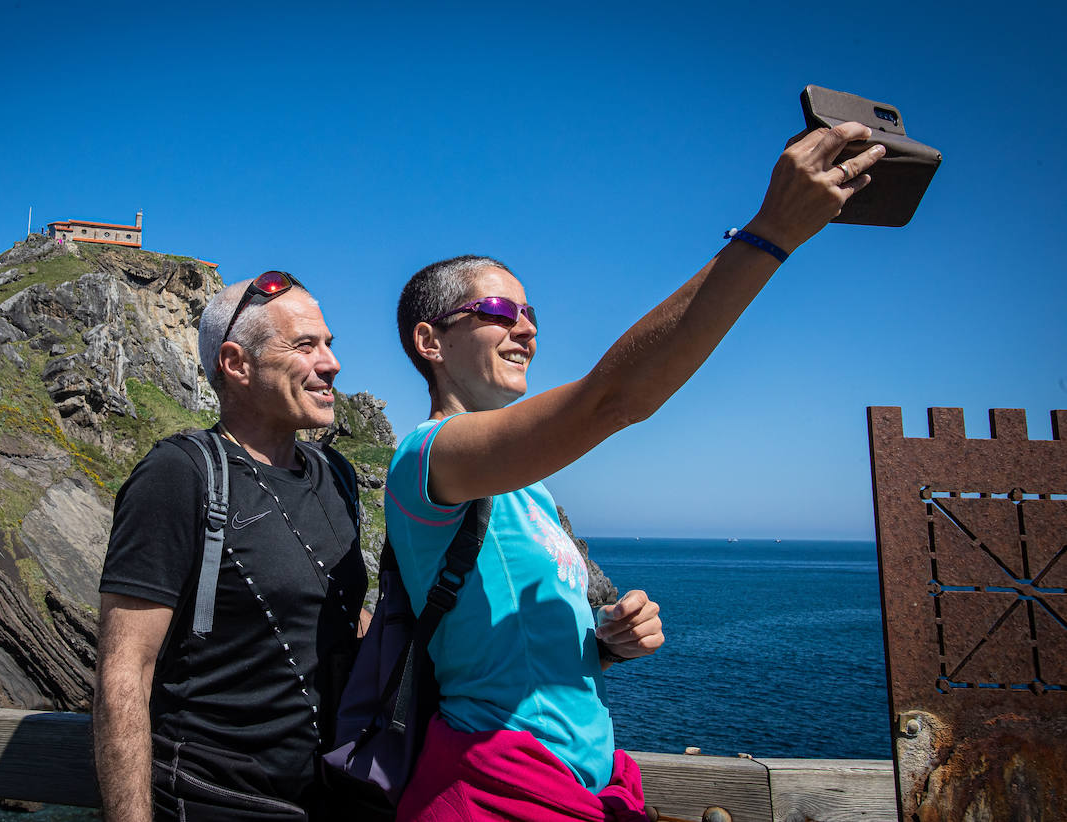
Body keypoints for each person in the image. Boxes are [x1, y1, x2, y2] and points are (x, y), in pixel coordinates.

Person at [386, 123, 886, 821]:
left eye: (532, 313)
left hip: (584, 783)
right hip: (497, 790)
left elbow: (511, 648)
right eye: (501, 311)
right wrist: (770, 233)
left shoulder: (530, 488)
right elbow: (613, 398)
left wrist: (606, 641)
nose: (527, 328)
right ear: (430, 341)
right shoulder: (427, 456)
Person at [96, 271, 369, 822]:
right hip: (214, 802)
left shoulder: (335, 473)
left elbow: (331, 610)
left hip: (336, 799)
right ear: (236, 363)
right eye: (304, 345)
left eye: (329, 345)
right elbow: (124, 669)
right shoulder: (180, 473)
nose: (331, 363)